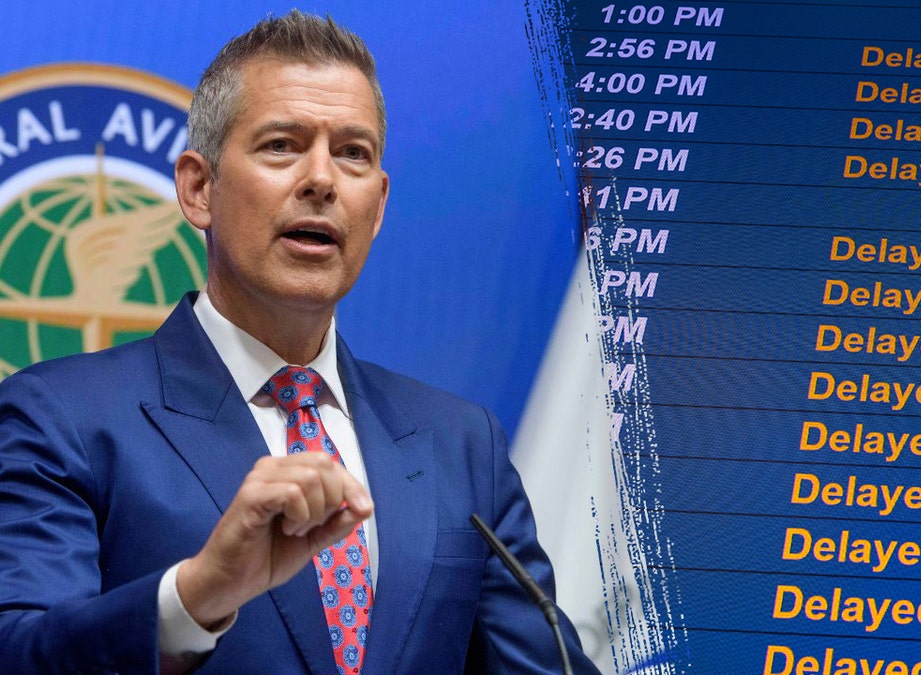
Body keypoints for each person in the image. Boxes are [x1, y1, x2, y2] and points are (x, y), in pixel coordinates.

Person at [0, 11, 598, 674]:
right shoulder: (60, 417)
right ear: (198, 188)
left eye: (353, 154)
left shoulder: (461, 445)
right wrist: (198, 596)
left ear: (379, 204)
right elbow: (18, 653)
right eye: (282, 145)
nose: (323, 180)